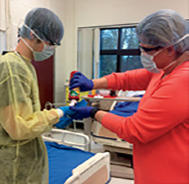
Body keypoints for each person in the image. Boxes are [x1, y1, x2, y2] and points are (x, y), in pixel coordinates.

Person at [69, 9, 189, 184]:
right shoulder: (166, 69)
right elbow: (129, 78)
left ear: (170, 49)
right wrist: (92, 83)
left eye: (147, 50)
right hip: (152, 171)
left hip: (171, 175)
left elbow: (134, 130)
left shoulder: (183, 79)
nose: (143, 55)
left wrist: (94, 113)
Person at [0, 8, 75, 184]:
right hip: (14, 163)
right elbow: (19, 127)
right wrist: (58, 114)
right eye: (51, 44)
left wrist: (52, 118)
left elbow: (28, 115)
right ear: (34, 36)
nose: (51, 49)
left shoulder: (26, 66)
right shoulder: (12, 68)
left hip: (27, 155)